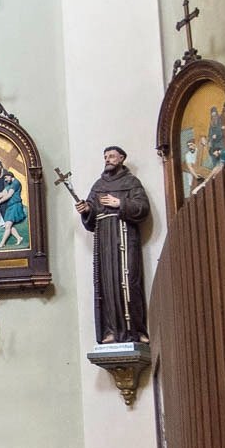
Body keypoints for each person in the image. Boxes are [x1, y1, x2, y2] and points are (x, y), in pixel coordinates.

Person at [75, 146, 150, 344]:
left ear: (122, 158)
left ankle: (136, 330)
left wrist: (120, 203)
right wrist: (86, 209)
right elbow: (92, 212)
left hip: (125, 234)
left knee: (130, 281)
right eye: (105, 157)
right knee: (108, 284)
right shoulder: (99, 185)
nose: (107, 159)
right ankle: (111, 330)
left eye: (111, 156)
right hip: (105, 238)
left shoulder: (132, 182)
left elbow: (143, 208)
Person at [0, 170, 27, 247]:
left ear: (10, 176)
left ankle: (2, 244)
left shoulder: (15, 183)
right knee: (7, 225)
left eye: (6, 178)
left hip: (15, 205)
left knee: (8, 225)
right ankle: (19, 238)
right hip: (10, 206)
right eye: (4, 179)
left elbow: (9, 195)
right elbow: (2, 194)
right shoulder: (9, 185)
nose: (5, 180)